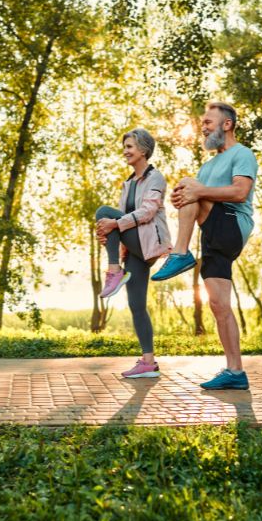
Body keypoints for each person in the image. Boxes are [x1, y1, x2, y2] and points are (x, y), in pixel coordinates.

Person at [151, 101, 258, 390]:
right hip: (211, 236)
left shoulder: (242, 153)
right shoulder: (208, 165)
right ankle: (236, 372)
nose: (204, 127)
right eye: (203, 123)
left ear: (227, 124)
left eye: (209, 122)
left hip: (233, 226)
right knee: (219, 304)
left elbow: (240, 191)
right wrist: (183, 200)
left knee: (189, 185)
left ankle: (181, 254)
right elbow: (196, 200)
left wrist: (195, 192)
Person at [95, 128, 172, 379]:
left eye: (129, 146)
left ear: (144, 150)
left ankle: (114, 270)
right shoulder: (127, 184)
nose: (125, 151)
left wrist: (114, 224)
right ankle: (148, 362)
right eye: (125, 147)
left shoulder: (155, 178)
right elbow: (121, 221)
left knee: (103, 212)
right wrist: (110, 236)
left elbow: (148, 212)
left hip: (148, 243)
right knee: (137, 305)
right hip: (134, 249)